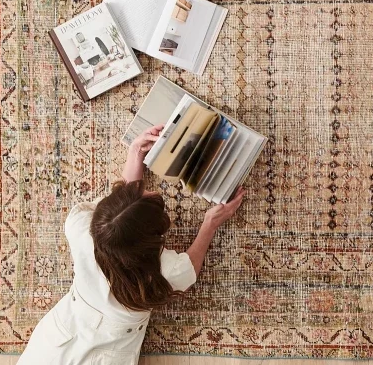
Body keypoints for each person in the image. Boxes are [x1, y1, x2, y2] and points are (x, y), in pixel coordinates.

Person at [17, 124, 246, 364]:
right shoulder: (165, 272)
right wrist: (210, 223)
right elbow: (190, 269)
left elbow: (120, 215)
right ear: (152, 242)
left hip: (54, 346)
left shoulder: (79, 226)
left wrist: (135, 153)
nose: (146, 191)